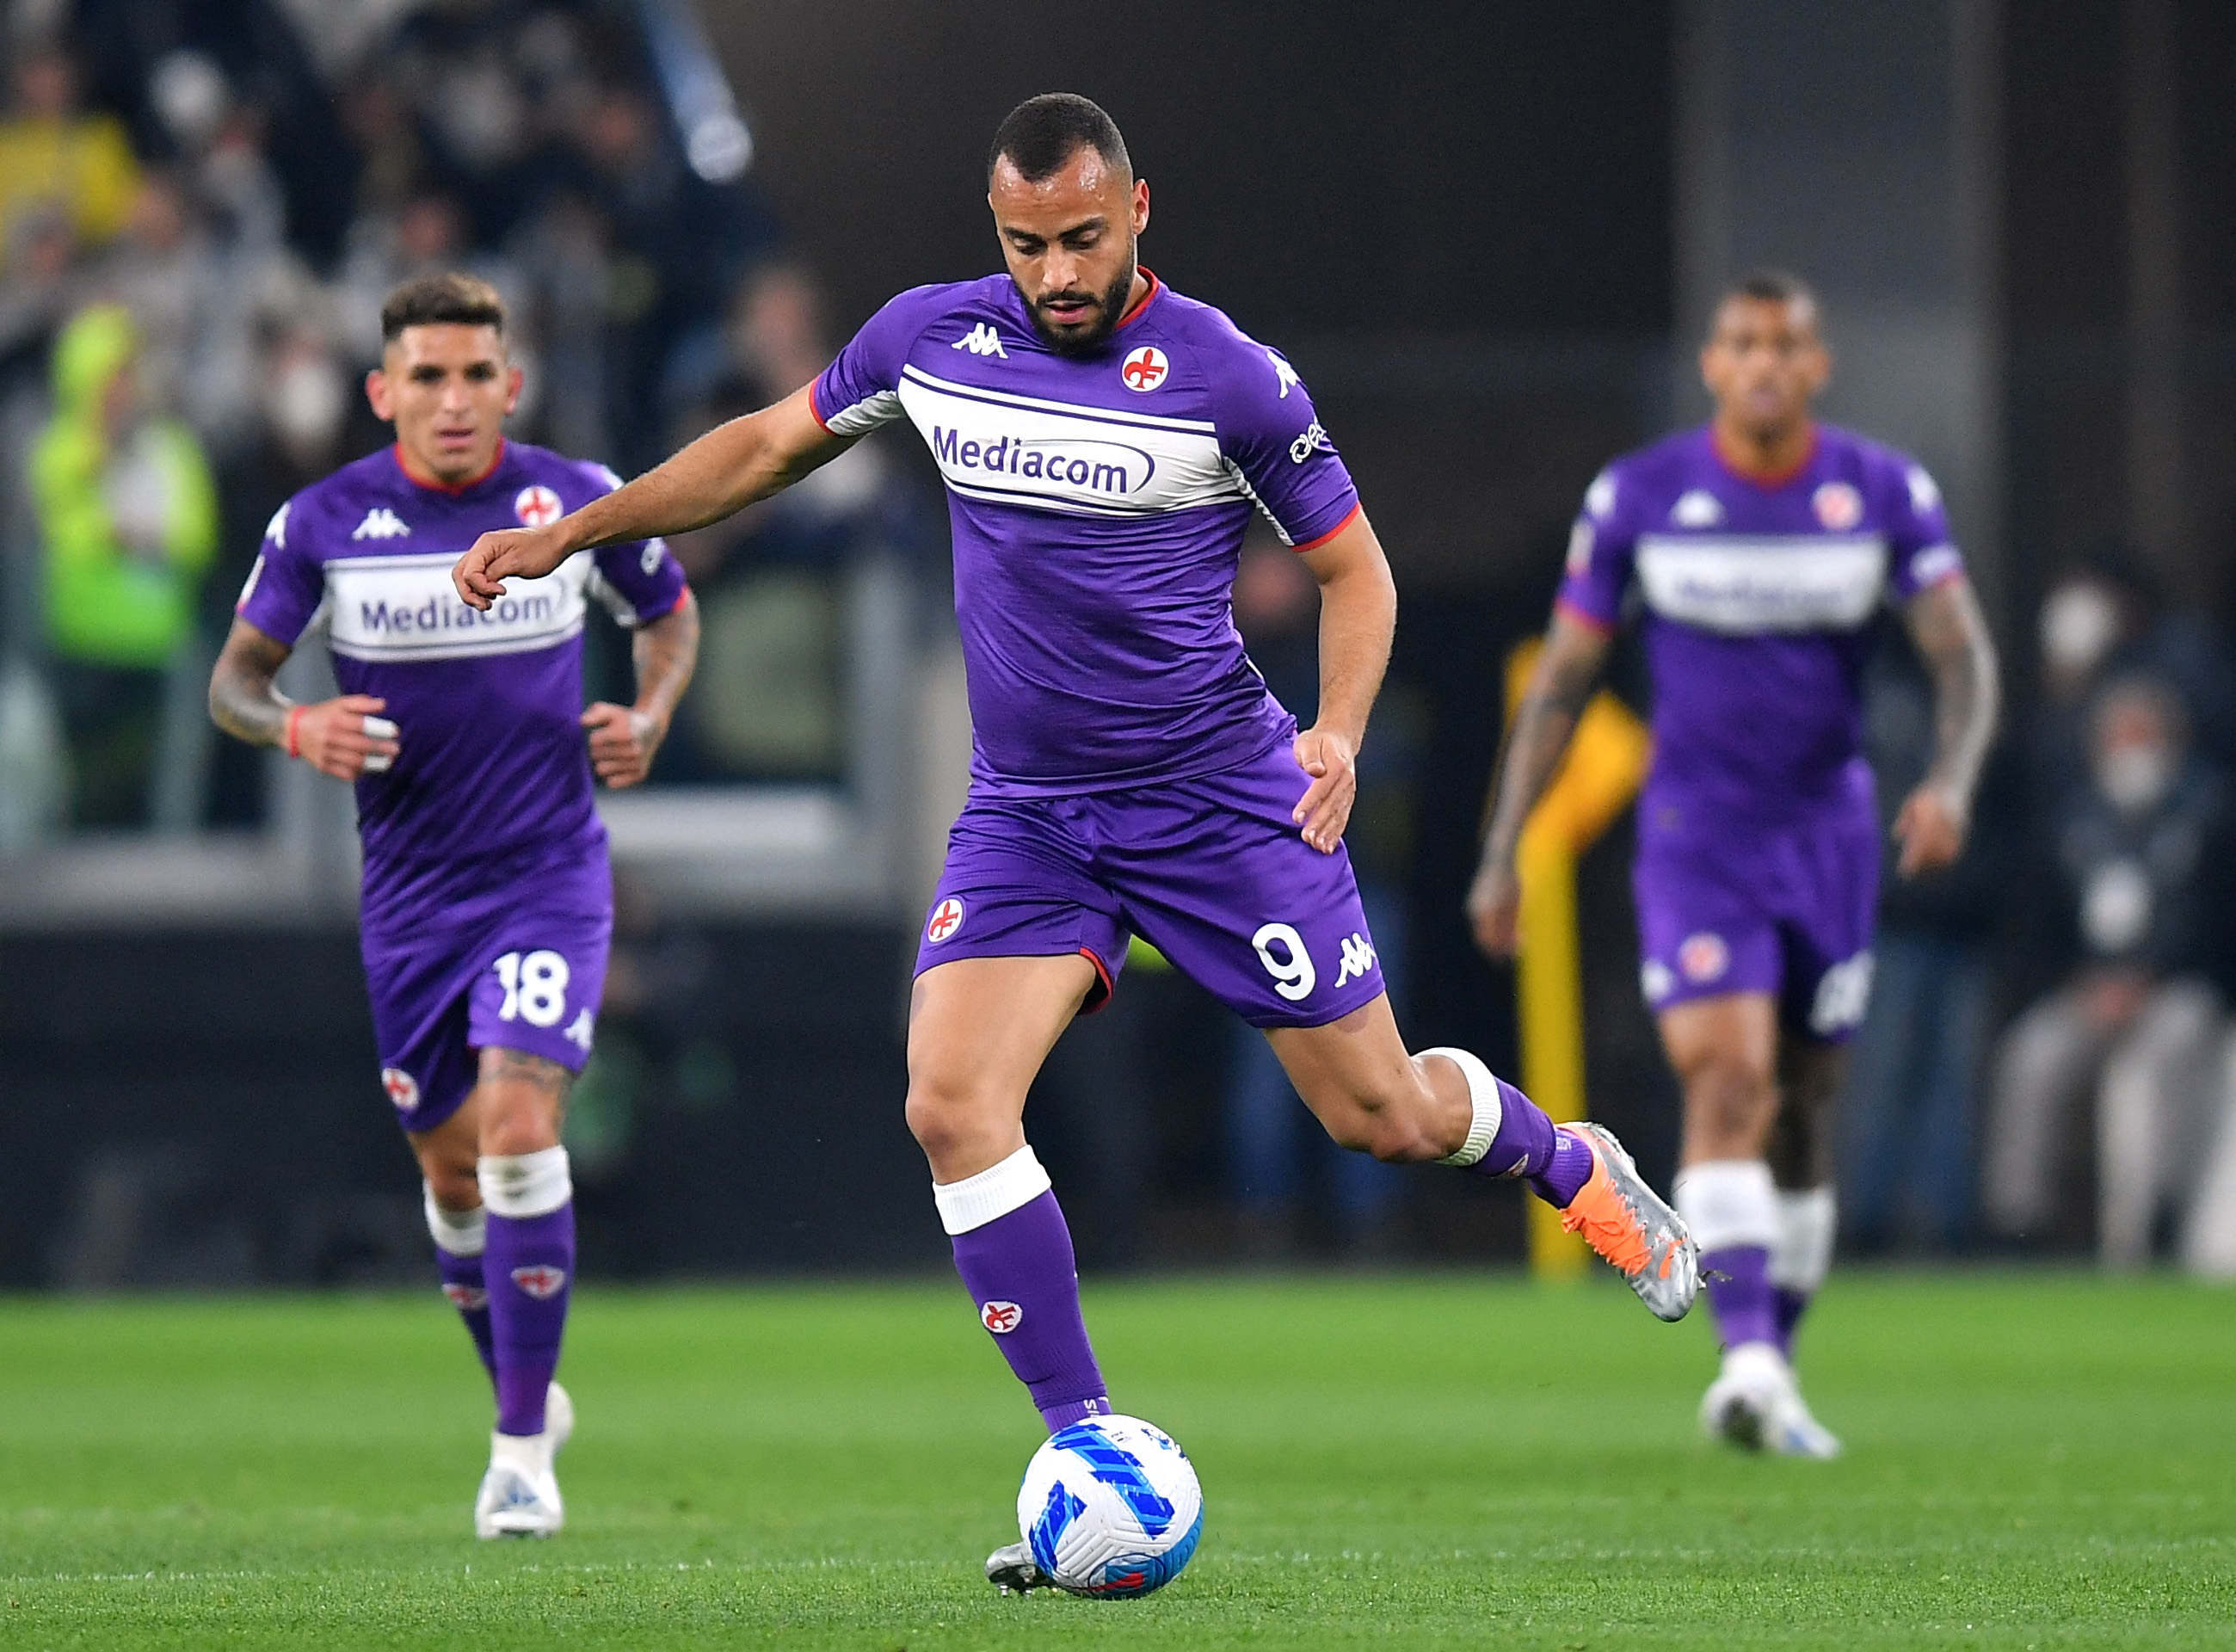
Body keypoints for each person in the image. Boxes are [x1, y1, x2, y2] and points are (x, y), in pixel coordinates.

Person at [451, 93, 1698, 1586]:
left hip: (1222, 804)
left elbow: (1354, 576)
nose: (1054, 273)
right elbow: (763, 449)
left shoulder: (1227, 376)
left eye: (1082, 240)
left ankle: (1568, 1160)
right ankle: (1088, 1449)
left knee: (1379, 1115)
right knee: (949, 1104)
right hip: (1032, 817)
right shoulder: (930, 340)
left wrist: (1337, 731)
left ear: (1137, 212)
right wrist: (576, 532)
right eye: (1025, 244)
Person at [1468, 271, 1999, 1458]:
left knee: (1802, 1108)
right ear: (1711, 365)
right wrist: (1503, 850)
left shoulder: (1878, 492)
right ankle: (1745, 1361)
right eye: (1741, 344)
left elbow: (1961, 659)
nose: (1762, 364)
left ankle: (1777, 1366)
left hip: (1829, 839)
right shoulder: (1640, 496)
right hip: (1695, 839)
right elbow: (1561, 681)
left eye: (1783, 345)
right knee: (1725, 1080)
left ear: (1814, 367)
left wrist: (1951, 783)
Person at [206, 273, 699, 1537]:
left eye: (477, 373)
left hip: (546, 877)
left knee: (521, 1131)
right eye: (427, 375)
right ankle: (526, 1393)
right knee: (452, 1176)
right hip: (411, 900)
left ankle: (519, 1450)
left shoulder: (571, 500)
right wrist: (296, 724)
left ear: (510, 384)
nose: (454, 399)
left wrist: (649, 713)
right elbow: (236, 684)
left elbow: (668, 613)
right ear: (384, 393)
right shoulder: (323, 522)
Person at [1981, 674, 2236, 1264]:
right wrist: (2079, 980)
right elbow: (2041, 925)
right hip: (2089, 989)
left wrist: (2153, 976)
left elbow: (2214, 920)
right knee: (2030, 1056)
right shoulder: (2073, 820)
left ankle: (2162, 1211)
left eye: (2142, 737)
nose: (2131, 753)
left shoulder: (2210, 816)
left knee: (2170, 1052)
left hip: (2175, 989)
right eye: (2120, 739)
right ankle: (2020, 1222)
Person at [34, 302, 218, 827]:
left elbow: (199, 535)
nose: (122, 389)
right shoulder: (60, 451)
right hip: (81, 645)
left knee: (155, 789)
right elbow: (63, 530)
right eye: (112, 375)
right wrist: (116, 530)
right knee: (86, 790)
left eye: (128, 375)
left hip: (157, 643)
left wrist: (141, 536)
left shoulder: (169, 449)